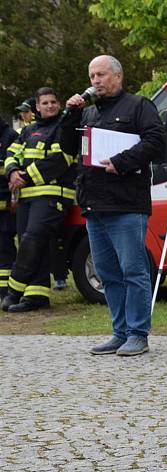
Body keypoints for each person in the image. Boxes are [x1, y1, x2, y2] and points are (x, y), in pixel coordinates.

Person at [60, 55, 165, 356]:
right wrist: (70, 115)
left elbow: (156, 141)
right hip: (95, 205)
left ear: (117, 77)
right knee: (107, 272)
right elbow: (70, 147)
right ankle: (119, 332)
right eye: (92, 75)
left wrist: (121, 162)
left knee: (133, 270)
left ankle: (138, 334)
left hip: (126, 204)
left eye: (101, 75)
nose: (95, 81)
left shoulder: (138, 106)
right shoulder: (88, 113)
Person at [1, 88, 75, 313]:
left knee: (32, 239)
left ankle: (14, 290)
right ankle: (37, 295)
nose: (50, 106)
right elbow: (12, 155)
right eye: (45, 103)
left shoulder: (64, 127)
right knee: (33, 243)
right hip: (27, 198)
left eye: (54, 102)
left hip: (53, 196)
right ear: (37, 108)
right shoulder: (28, 131)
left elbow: (60, 159)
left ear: (59, 104)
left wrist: (24, 176)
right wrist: (12, 171)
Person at [0, 116, 17, 299]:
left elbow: (13, 169)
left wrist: (14, 199)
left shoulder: (9, 135)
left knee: (5, 246)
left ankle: (6, 290)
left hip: (7, 205)